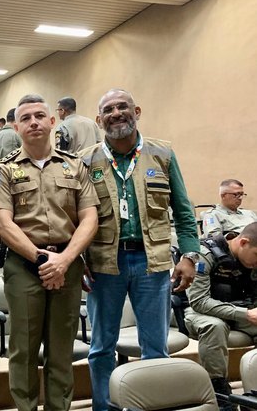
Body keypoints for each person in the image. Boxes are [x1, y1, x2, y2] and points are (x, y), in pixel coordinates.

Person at [80, 88, 200, 411]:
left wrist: (189, 256)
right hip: (104, 265)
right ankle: (103, 406)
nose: (116, 113)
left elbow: (184, 211)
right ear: (98, 119)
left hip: (153, 263)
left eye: (123, 106)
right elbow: (72, 217)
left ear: (137, 111)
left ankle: (152, 405)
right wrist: (77, 259)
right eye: (109, 109)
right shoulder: (85, 160)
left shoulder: (162, 154)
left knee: (155, 346)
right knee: (101, 346)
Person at [0, 94, 98, 411]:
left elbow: (89, 217)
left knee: (62, 348)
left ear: (52, 122)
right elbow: (2, 223)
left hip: (68, 263)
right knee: (23, 347)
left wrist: (64, 260)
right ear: (17, 127)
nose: (33, 122)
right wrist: (42, 259)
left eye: (39, 116)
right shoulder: (3, 170)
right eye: (26, 118)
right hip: (24, 266)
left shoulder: (74, 166)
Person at [184, 223, 257, 408]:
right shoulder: (205, 254)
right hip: (199, 310)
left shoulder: (251, 258)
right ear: (243, 242)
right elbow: (199, 301)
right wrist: (245, 314)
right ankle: (219, 391)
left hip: (240, 309)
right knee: (215, 326)